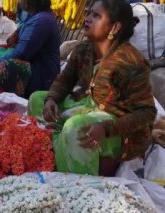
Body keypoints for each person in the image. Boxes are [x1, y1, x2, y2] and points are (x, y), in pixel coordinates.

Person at [28, 0, 157, 176]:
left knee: (76, 127)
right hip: (89, 105)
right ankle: (56, 154)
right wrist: (52, 98)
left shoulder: (131, 62)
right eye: (89, 13)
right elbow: (65, 80)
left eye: (96, 16)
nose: (87, 18)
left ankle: (80, 184)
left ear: (115, 28)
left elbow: (146, 113)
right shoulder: (84, 50)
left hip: (120, 130)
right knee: (37, 100)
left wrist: (106, 128)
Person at [0, 0, 60, 98]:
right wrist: (17, 33)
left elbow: (21, 53)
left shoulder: (42, 20)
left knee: (2, 66)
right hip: (30, 62)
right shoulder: (36, 15)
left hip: (41, 74)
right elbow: (25, 29)